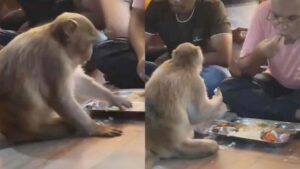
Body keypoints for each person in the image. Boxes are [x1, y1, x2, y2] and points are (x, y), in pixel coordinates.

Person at [220, 0, 300, 122]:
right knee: (229, 87)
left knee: (247, 103)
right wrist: (258, 54)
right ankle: (292, 114)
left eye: (292, 18)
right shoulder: (264, 10)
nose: (283, 25)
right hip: (275, 80)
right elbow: (240, 71)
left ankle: (269, 112)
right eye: (276, 16)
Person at [145, 0, 232, 97]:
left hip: (202, 68)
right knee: (140, 67)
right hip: (171, 69)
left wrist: (180, 62)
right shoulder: (158, 5)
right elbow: (141, 44)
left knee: (217, 76)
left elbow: (224, 56)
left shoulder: (212, 6)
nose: (175, 1)